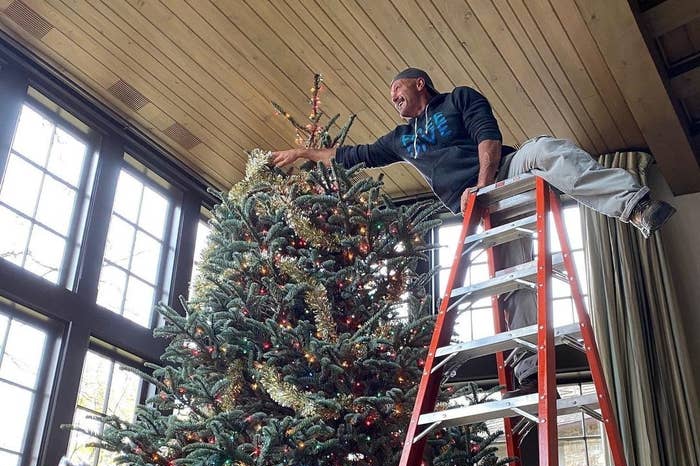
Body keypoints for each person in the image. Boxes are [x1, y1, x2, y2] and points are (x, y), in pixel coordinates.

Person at [272, 68, 675, 391]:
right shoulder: (400, 139)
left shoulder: (459, 99)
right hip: (478, 211)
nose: (393, 97)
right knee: (512, 279)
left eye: (397, 89)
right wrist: (303, 153)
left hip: (505, 175)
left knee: (548, 149)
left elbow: (489, 138)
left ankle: (635, 206)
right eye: (390, 95)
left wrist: (482, 186)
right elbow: (350, 156)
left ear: (419, 83)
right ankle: (531, 370)